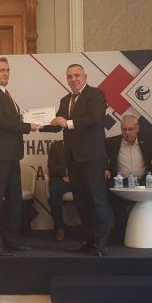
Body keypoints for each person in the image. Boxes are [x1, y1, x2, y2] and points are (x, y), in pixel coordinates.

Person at [0, 57, 39, 256]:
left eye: (7, 70)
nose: (5, 73)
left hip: (11, 155)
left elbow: (9, 120)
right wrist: (27, 126)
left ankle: (10, 239)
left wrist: (22, 119)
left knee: (14, 200)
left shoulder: (3, 93)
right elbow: (2, 122)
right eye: (1, 70)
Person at [47, 64, 111, 257]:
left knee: (97, 202)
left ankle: (101, 244)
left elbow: (94, 118)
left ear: (85, 76)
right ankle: (87, 241)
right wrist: (33, 124)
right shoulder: (65, 100)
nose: (73, 79)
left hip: (92, 158)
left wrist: (67, 123)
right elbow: (57, 124)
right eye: (70, 76)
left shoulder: (96, 94)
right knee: (82, 203)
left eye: (77, 75)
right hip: (73, 160)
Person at [105, 114, 152, 242]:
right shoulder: (111, 142)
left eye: (130, 129)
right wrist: (106, 168)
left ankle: (148, 226)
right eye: (124, 129)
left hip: (143, 180)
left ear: (137, 128)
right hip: (121, 181)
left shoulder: (147, 141)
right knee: (110, 191)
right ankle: (123, 229)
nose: (127, 132)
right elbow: (102, 158)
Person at [47, 139, 73, 242]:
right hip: (61, 179)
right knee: (54, 190)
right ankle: (59, 228)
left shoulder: (83, 144)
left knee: (91, 189)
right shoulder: (56, 146)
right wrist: (65, 173)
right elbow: (51, 166)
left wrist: (73, 175)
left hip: (79, 178)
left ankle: (89, 229)